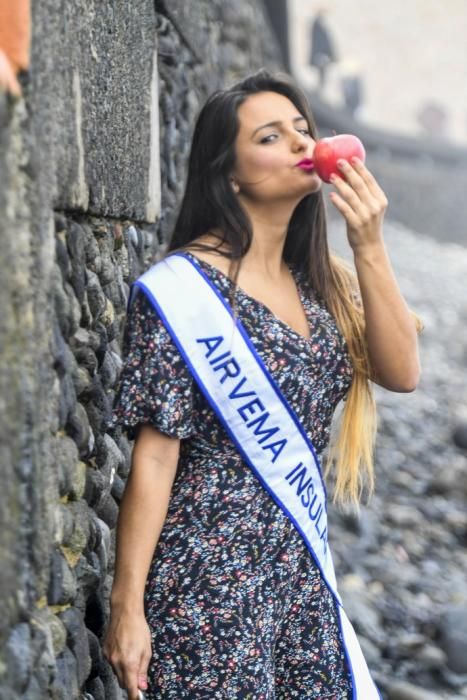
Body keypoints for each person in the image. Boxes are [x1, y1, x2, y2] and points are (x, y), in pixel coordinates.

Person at [103, 69, 421, 699]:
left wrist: (369, 242)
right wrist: (126, 605)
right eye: (272, 137)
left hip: (299, 575)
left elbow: (402, 373)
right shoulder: (186, 290)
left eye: (304, 130)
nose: (304, 144)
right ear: (230, 173)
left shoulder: (319, 285)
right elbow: (157, 455)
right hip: (208, 583)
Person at [309, 9, 338, 90]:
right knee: (321, 73)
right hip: (320, 54)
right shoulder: (317, 26)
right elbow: (318, 42)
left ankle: (321, 88)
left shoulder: (320, 26)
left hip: (321, 54)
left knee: (323, 73)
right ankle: (320, 89)